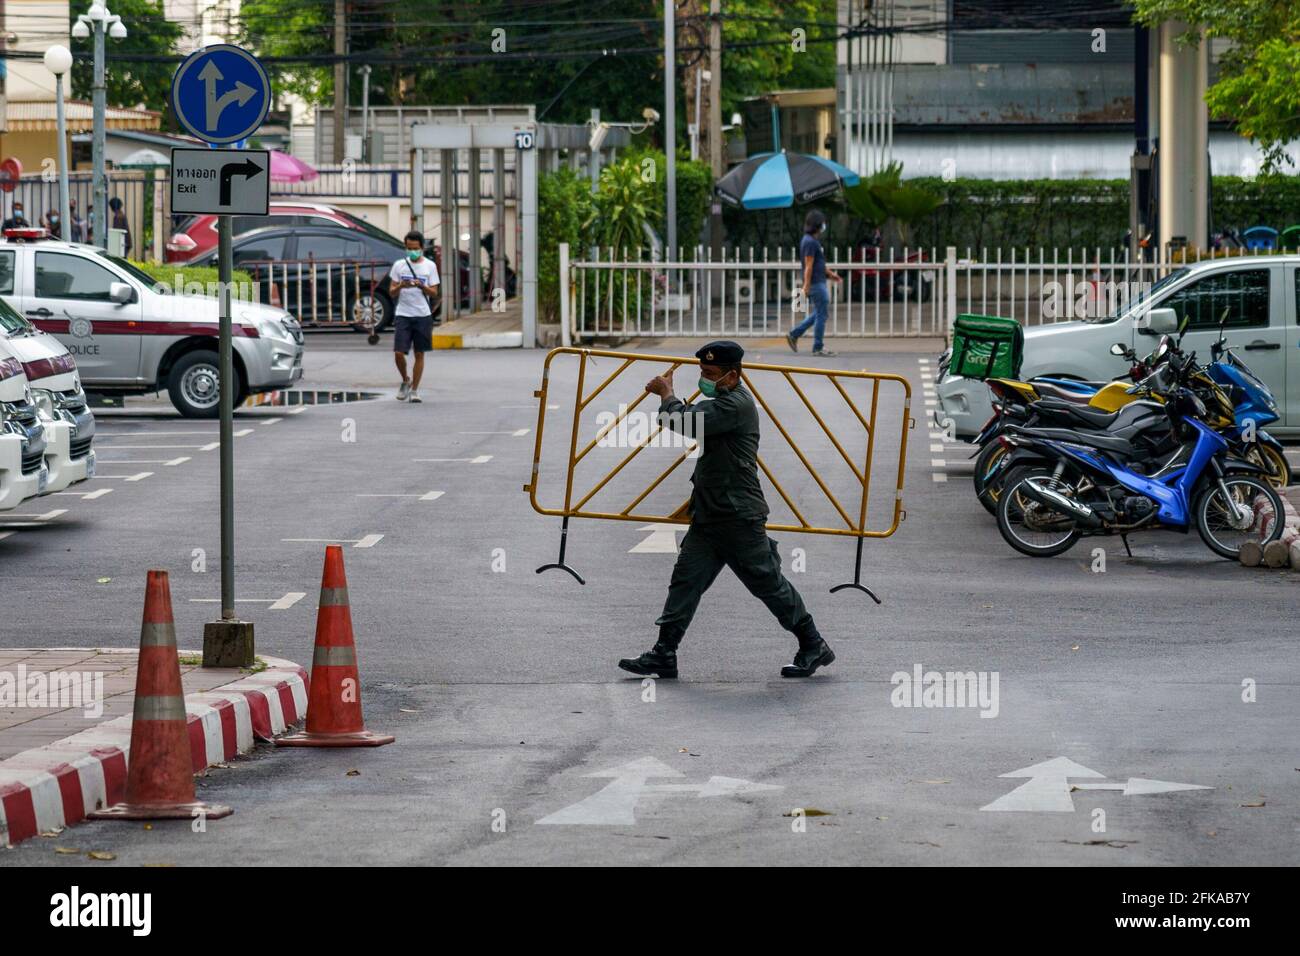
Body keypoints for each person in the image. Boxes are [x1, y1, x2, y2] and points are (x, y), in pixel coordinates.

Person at [619, 340, 835, 680]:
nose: (704, 379)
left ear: (732, 376)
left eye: (710, 374)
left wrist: (666, 394)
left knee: (766, 582)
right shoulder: (723, 398)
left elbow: (685, 421)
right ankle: (664, 652)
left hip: (738, 515)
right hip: (710, 514)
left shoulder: (735, 405)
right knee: (685, 581)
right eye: (702, 372)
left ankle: (813, 644)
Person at [388, 230, 440, 403]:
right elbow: (392, 292)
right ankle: (405, 380)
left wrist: (422, 287)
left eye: (416, 248)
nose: (413, 251)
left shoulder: (430, 266)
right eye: (409, 248)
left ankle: (415, 390)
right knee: (398, 353)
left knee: (420, 353)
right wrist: (401, 285)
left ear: (422, 248)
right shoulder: (399, 265)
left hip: (423, 315)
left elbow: (434, 293)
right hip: (403, 313)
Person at [786, 209, 842, 357]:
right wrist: (806, 285)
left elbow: (818, 263)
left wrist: (831, 274)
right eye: (823, 223)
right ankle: (817, 347)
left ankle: (794, 334)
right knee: (822, 315)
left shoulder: (811, 241)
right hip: (816, 284)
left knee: (819, 313)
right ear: (818, 224)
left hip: (818, 281)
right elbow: (809, 265)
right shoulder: (810, 242)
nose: (824, 225)